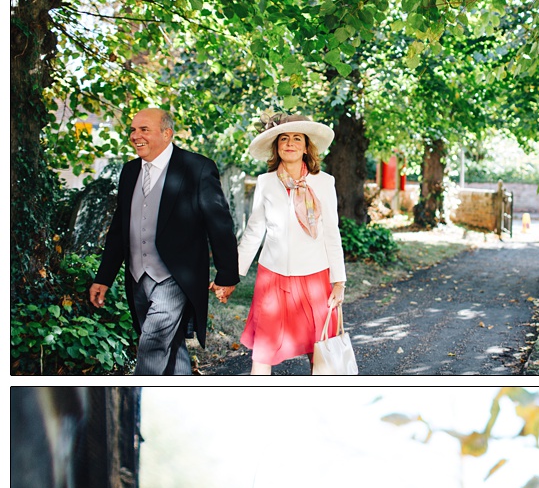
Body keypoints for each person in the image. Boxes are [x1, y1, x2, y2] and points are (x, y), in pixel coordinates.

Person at [89, 108, 240, 374]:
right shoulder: (129, 171)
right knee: (172, 346)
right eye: (133, 130)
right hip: (137, 277)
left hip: (175, 277)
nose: (135, 136)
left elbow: (219, 223)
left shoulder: (197, 168)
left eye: (143, 130)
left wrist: (226, 274)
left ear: (167, 133)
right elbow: (119, 229)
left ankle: (138, 395)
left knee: (154, 343)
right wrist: (104, 277)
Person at [231, 112, 348, 374]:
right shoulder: (266, 182)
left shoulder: (324, 182)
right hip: (273, 278)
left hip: (315, 278)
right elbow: (253, 232)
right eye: (283, 138)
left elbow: (331, 232)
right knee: (263, 351)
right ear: (276, 146)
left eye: (297, 138)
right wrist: (232, 275)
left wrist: (338, 283)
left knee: (320, 353)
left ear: (306, 146)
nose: (290, 143)